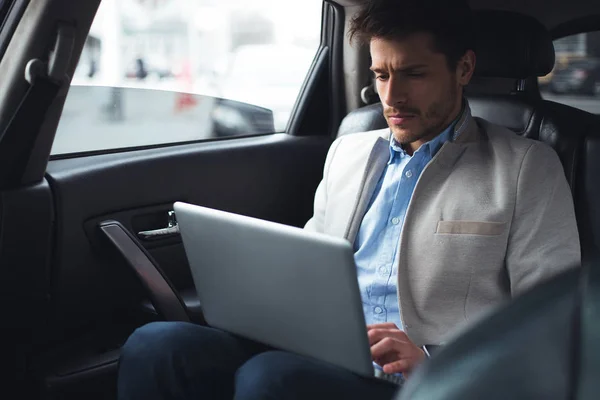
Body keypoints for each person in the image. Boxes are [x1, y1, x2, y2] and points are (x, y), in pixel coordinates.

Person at [117, 0, 581, 399]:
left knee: (273, 379)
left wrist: (430, 358)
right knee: (155, 345)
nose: (391, 96)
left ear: (463, 68)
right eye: (381, 74)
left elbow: (554, 323)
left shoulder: (526, 167)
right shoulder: (349, 150)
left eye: (413, 74)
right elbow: (308, 266)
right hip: (318, 347)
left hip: (421, 379)